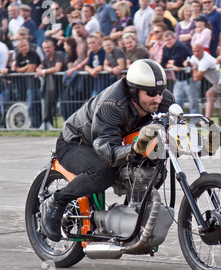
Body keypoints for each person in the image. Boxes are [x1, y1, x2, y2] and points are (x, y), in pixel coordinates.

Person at [39, 59, 177, 242]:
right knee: (102, 173)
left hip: (113, 141)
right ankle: (57, 201)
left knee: (155, 169)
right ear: (134, 91)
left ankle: (132, 214)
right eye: (151, 93)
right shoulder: (112, 105)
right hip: (77, 142)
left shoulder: (164, 100)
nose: (158, 99)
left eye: (160, 92)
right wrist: (135, 148)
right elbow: (107, 150)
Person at [161, 31, 196, 117]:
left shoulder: (180, 46)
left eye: (169, 39)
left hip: (189, 79)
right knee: (176, 103)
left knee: (193, 102)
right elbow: (163, 63)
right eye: (166, 40)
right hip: (179, 79)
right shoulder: (165, 48)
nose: (168, 42)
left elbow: (179, 61)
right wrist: (172, 65)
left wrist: (173, 63)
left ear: (174, 39)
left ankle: (195, 122)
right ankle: (177, 122)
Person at [36, 40, 66, 130]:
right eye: (45, 48)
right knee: (49, 105)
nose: (46, 50)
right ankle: (48, 124)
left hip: (63, 85)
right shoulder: (46, 58)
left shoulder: (59, 55)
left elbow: (57, 68)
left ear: (53, 47)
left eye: (48, 47)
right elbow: (39, 68)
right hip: (52, 87)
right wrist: (40, 70)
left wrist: (44, 71)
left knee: (64, 107)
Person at [13, 39, 42, 128]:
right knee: (30, 106)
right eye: (22, 46)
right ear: (19, 48)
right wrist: (25, 67)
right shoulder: (18, 56)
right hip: (24, 85)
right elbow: (17, 69)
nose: (24, 47)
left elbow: (32, 69)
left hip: (35, 84)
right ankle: (34, 124)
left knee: (34, 105)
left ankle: (36, 125)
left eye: (25, 45)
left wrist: (22, 69)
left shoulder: (33, 54)